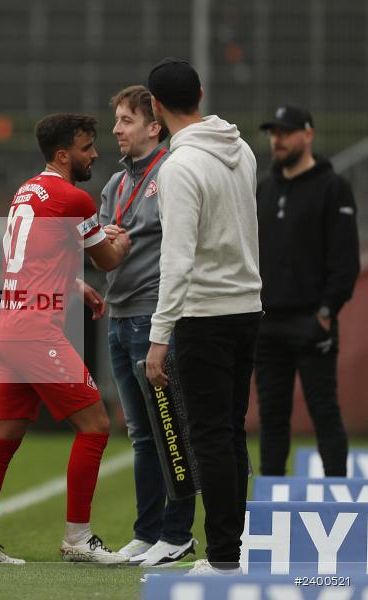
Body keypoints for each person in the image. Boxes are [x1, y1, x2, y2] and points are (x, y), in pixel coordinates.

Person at [0, 113, 131, 564]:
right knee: (96, 427)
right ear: (64, 155)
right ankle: (78, 539)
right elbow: (109, 259)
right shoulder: (73, 198)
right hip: (37, 332)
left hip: (9, 327)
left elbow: (31, 257)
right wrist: (122, 238)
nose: (94, 153)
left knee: (2, 438)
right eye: (86, 146)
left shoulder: (26, 191)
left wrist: (73, 284)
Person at [143, 58, 262, 575]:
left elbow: (177, 258)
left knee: (210, 436)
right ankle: (232, 547)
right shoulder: (244, 150)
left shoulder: (180, 166)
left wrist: (158, 335)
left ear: (154, 105)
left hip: (204, 314)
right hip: (247, 307)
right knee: (231, 433)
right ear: (201, 93)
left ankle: (222, 556)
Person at [97, 85, 195, 566]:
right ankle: (147, 532)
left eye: (126, 120)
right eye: (116, 120)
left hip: (153, 318)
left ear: (153, 126)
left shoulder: (170, 174)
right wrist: (100, 243)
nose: (116, 129)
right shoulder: (114, 184)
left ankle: (178, 533)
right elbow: (98, 252)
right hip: (118, 316)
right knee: (139, 433)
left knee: (169, 428)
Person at [255, 105, 360, 477]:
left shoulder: (334, 187)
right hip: (267, 324)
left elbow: (345, 259)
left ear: (308, 134)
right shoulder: (265, 187)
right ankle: (269, 500)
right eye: (274, 132)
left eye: (286, 131)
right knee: (271, 417)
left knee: (324, 411)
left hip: (312, 320)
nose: (277, 139)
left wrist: (327, 310)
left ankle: (338, 501)